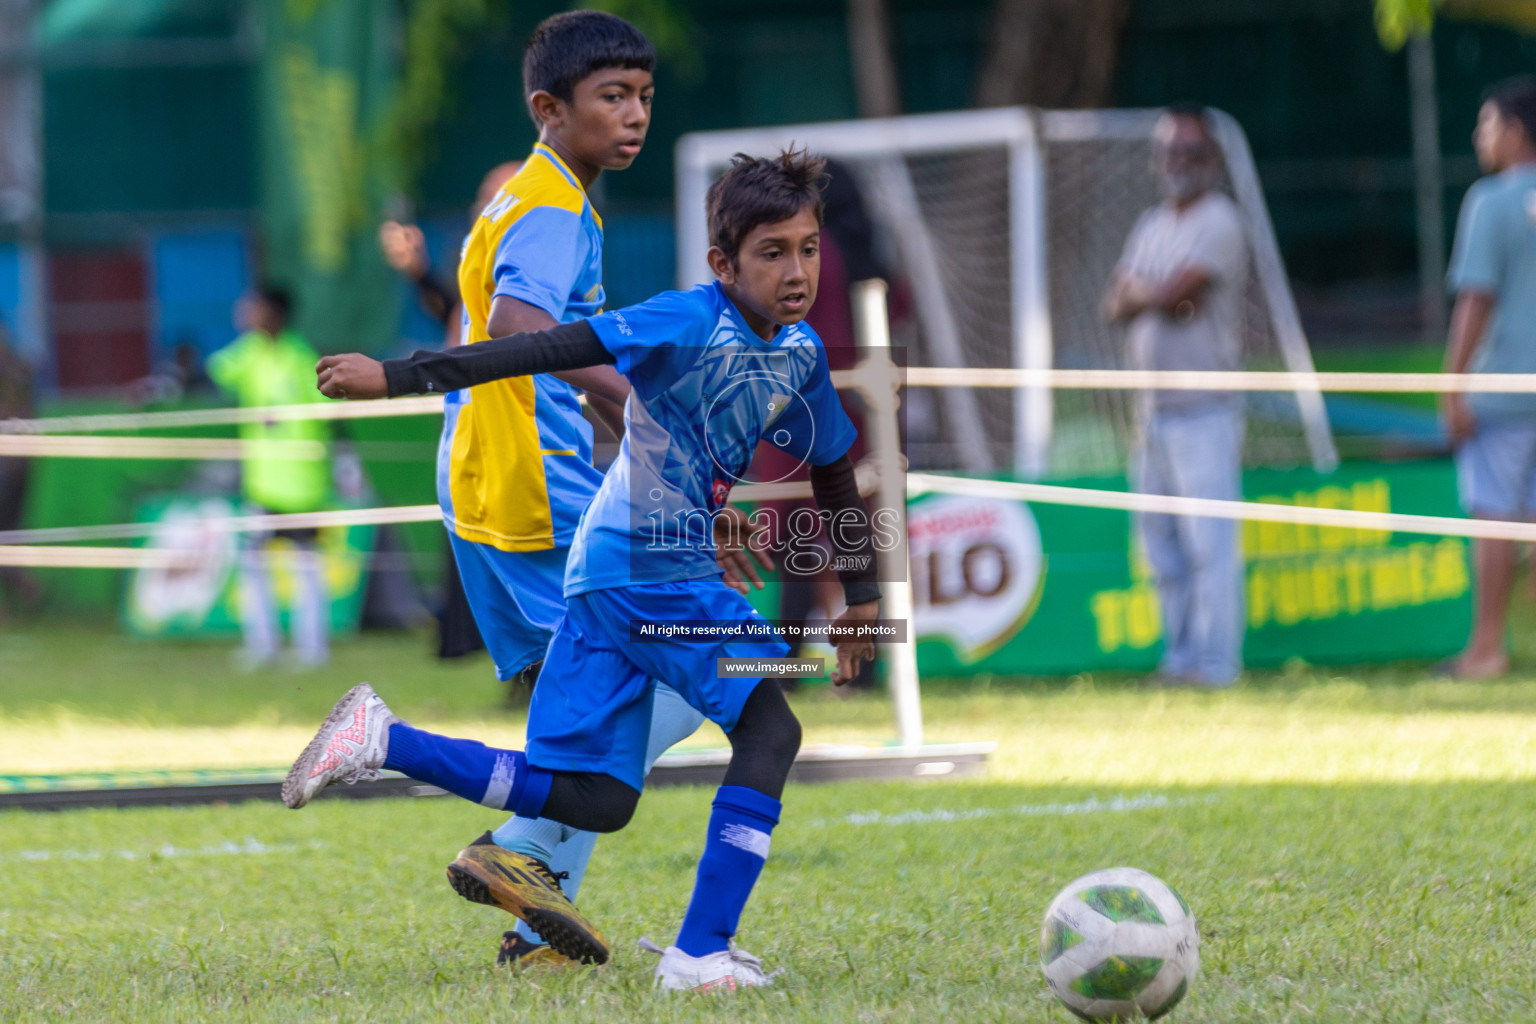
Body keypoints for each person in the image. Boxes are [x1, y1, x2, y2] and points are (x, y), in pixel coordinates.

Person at [291, 149, 878, 990]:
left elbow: (833, 470)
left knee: (597, 798)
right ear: (723, 263)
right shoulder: (680, 318)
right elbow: (525, 344)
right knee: (771, 728)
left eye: (809, 248)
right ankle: (700, 953)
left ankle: (382, 739)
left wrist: (861, 596)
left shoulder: (802, 352)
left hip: (605, 572)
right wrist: (396, 377)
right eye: (773, 252)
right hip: (652, 572)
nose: (797, 271)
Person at [307, 11, 716, 971]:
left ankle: (539, 925)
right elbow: (525, 328)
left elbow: (553, 346)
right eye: (613, 97)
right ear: (549, 108)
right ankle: (429, 775)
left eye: (645, 97)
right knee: (689, 672)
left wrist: (646, 442)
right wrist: (651, 420)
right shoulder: (549, 209)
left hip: (503, 488)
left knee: (595, 706)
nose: (636, 116)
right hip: (538, 498)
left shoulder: (539, 199)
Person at [1104, 104, 1248, 688]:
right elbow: (1116, 304)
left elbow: (1173, 294)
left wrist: (1149, 294)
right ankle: (1180, 659)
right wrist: (1151, 295)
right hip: (1153, 413)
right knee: (1161, 548)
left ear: (1211, 160)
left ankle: (1217, 665)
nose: (1178, 163)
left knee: (1210, 548)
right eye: (1170, 152)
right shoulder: (1151, 225)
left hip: (1205, 409)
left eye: (1190, 152)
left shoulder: (1219, 219)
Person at [376, 163, 523, 662]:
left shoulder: (535, 261)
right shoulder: (480, 260)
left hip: (520, 430)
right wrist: (418, 270)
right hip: (469, 425)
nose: (485, 205)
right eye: (482, 196)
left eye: (496, 195)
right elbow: (457, 323)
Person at [1439, 77, 1536, 680]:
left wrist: (1450, 386)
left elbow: (1476, 298)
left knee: (1494, 518)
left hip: (1502, 388)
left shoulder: (1491, 201)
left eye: (1487, 123)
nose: (1480, 136)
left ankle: (1486, 650)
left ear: (1517, 131)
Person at [207, 286, 332, 668]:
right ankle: (262, 643)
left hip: (301, 485)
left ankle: (312, 648)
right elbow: (215, 370)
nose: (246, 312)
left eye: (255, 306)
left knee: (306, 567)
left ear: (275, 313)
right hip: (262, 483)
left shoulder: (301, 357)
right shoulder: (249, 352)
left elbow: (326, 408)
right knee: (252, 563)